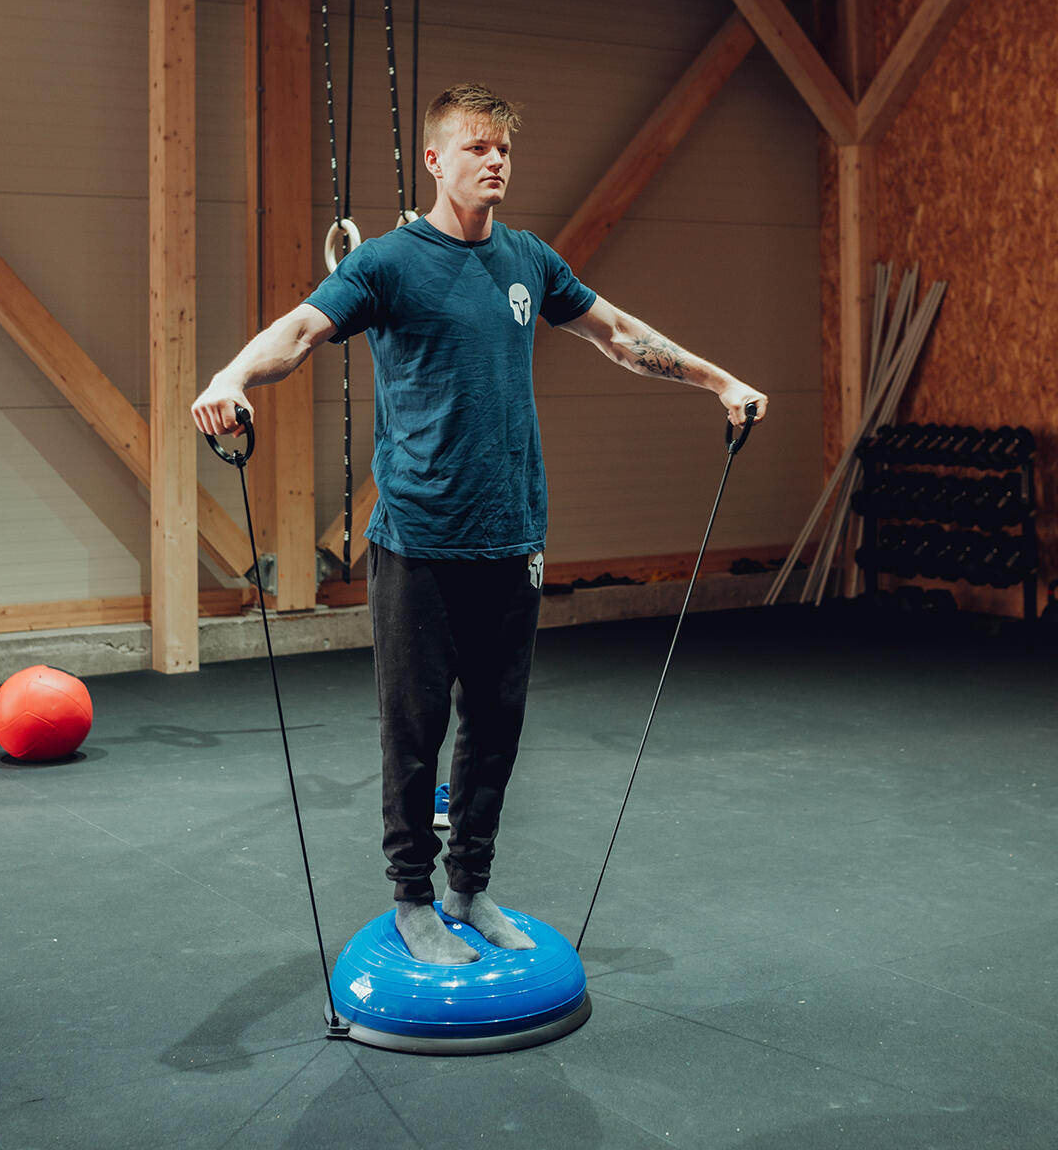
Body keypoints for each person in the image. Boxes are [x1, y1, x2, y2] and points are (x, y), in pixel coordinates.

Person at [191, 83, 768, 966]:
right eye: (475, 148)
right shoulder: (385, 263)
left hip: (514, 537)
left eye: (503, 149)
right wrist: (231, 376)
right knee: (412, 729)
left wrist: (720, 382)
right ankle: (412, 900)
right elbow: (302, 330)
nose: (494, 161)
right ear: (434, 159)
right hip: (418, 540)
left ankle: (469, 886)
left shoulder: (528, 260)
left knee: (496, 728)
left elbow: (617, 332)